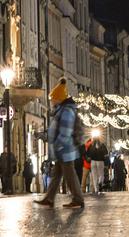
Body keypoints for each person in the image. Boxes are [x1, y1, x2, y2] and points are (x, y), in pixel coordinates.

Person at [34, 77, 84, 208]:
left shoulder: (66, 111)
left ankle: (78, 200)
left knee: (70, 176)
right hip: (62, 151)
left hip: (65, 150)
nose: (50, 101)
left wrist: (57, 146)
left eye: (52, 98)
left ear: (58, 99)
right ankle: (49, 198)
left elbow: (65, 132)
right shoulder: (61, 110)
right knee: (55, 175)